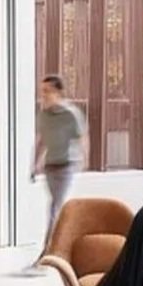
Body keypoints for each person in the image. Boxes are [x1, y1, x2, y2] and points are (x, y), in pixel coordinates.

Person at [31, 74, 87, 243]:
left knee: (55, 205)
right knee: (57, 205)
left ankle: (48, 246)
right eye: (42, 91)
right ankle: (66, 239)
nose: (43, 95)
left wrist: (85, 158)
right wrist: (35, 164)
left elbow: (82, 137)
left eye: (47, 91)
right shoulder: (43, 115)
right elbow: (41, 141)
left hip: (67, 165)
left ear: (58, 93)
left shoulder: (71, 114)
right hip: (50, 165)